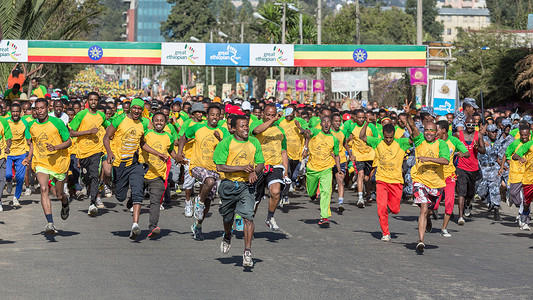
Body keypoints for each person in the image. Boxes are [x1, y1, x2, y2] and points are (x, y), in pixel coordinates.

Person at [103, 98, 167, 240]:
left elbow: (143, 143)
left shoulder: (144, 123)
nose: (137, 111)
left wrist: (159, 153)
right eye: (135, 108)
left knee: (138, 192)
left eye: (140, 108)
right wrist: (109, 152)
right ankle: (116, 188)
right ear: (130, 108)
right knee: (120, 196)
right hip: (120, 164)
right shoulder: (120, 120)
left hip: (135, 163)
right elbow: (106, 137)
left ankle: (135, 225)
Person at [214, 115, 264, 268]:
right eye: (242, 126)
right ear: (233, 128)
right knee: (227, 218)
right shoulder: (226, 143)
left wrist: (255, 172)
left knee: (248, 217)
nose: (245, 128)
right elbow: (220, 166)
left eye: (247, 125)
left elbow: (261, 162)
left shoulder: (254, 142)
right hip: (228, 185)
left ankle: (247, 252)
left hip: (246, 186)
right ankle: (228, 235)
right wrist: (241, 168)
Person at [359, 104, 413, 241]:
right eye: (386, 137)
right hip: (381, 180)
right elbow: (362, 136)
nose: (388, 140)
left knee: (395, 209)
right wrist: (366, 122)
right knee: (381, 208)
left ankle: (389, 209)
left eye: (391, 138)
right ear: (383, 135)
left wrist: (407, 123)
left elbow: (414, 139)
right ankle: (385, 233)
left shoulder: (401, 143)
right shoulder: (377, 142)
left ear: (394, 135)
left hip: (396, 181)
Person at [178, 104, 229, 241]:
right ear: (207, 116)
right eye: (212, 115)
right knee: (209, 182)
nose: (215, 118)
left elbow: (229, 147)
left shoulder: (224, 131)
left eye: (217, 115)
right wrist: (179, 152)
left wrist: (220, 139)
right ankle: (198, 202)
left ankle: (198, 225)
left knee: (207, 202)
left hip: (213, 168)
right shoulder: (198, 127)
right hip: (197, 166)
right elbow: (184, 137)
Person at [24, 99, 71, 235]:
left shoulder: (57, 123)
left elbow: (68, 141)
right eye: (37, 109)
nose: (39, 111)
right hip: (41, 162)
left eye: (42, 108)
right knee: (44, 189)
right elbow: (32, 143)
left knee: (58, 194)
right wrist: (29, 157)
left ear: (47, 108)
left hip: (59, 162)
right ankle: (50, 223)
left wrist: (55, 147)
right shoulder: (31, 125)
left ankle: (65, 202)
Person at [410, 119, 450, 253]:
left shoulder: (442, 144)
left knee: (429, 210)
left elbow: (445, 160)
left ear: (436, 133)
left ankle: (428, 217)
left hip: (436, 183)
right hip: (420, 179)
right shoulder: (419, 141)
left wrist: (428, 159)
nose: (428, 133)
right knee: (424, 208)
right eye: (426, 130)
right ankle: (421, 241)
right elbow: (412, 126)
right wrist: (409, 114)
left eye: (431, 130)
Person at [250, 103, 289, 231]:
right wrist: (273, 120)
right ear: (262, 114)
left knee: (276, 191)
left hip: (275, 165)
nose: (271, 117)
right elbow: (257, 131)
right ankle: (249, 222)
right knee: (255, 200)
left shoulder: (280, 130)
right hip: (259, 166)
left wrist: (285, 171)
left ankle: (270, 217)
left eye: (273, 115)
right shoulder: (255, 124)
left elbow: (283, 151)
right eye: (268, 115)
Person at [69, 92, 107, 216]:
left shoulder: (101, 115)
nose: (93, 102)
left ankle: (92, 203)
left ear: (98, 101)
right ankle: (85, 184)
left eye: (96, 100)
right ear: (87, 101)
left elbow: (109, 128)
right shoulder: (81, 114)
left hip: (97, 150)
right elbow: (72, 133)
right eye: (91, 100)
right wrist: (88, 132)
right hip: (83, 151)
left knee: (95, 175)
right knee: (87, 177)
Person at [302, 115, 343, 227]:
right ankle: (313, 193)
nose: (326, 124)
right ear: (321, 124)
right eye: (324, 122)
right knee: (311, 192)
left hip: (326, 169)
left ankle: (324, 216)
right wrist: (304, 132)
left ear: (331, 124)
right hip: (312, 168)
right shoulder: (315, 132)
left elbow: (337, 155)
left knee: (326, 191)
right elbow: (307, 133)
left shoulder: (334, 139)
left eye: (328, 122)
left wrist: (339, 170)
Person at [141, 112, 177, 239]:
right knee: (136, 197)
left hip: (158, 174)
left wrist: (178, 158)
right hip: (143, 171)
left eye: (162, 120)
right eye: (156, 120)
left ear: (165, 122)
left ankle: (152, 227)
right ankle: (131, 202)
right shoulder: (147, 134)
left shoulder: (168, 136)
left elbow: (171, 150)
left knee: (155, 201)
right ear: (152, 122)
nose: (159, 123)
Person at [435, 120, 470, 237]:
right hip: (435, 177)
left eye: (437, 129)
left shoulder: (454, 141)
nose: (435, 132)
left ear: (444, 130)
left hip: (449, 176)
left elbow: (467, 153)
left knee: (449, 203)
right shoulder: (434, 141)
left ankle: (444, 228)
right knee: (433, 206)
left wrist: (462, 154)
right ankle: (428, 218)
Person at [454, 116, 486, 225]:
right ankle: (460, 216)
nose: (471, 127)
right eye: (469, 125)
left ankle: (468, 205)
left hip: (474, 168)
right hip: (461, 167)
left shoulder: (479, 135)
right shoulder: (458, 135)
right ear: (465, 124)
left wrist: (477, 148)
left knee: (470, 192)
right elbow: (452, 148)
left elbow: (483, 151)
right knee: (461, 191)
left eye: (473, 125)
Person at [177, 102, 205, 218]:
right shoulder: (187, 123)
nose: (200, 114)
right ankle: (188, 202)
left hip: (202, 157)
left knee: (204, 180)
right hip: (189, 156)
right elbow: (181, 139)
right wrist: (180, 152)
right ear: (193, 113)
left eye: (202, 112)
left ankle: (199, 201)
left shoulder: (205, 123)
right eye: (198, 112)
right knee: (189, 182)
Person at [347, 109, 378, 208]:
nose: (361, 120)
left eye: (363, 118)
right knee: (360, 174)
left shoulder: (371, 126)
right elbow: (345, 140)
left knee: (366, 177)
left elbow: (377, 139)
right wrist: (351, 153)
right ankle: (360, 198)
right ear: (355, 118)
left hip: (370, 155)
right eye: (359, 118)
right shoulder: (351, 127)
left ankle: (368, 193)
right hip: (358, 155)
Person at [5, 103, 31, 207]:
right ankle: (9, 182)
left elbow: (28, 138)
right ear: (10, 112)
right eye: (13, 111)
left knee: (20, 177)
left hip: (21, 153)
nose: (15, 113)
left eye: (17, 111)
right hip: (8, 153)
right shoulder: (6, 122)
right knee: (7, 175)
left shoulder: (24, 122)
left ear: (20, 112)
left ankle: (16, 197)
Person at [477, 124, 504, 220]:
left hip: (493, 168)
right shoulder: (482, 140)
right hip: (483, 168)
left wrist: (501, 167)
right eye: (492, 132)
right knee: (480, 190)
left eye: (496, 131)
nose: (494, 133)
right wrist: (482, 143)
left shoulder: (498, 142)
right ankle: (487, 198)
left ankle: (496, 210)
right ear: (487, 132)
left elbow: (499, 156)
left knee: (495, 190)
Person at [505, 125, 530, 229]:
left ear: (529, 135)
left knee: (526, 199)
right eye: (522, 135)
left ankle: (525, 221)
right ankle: (513, 200)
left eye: (526, 135)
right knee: (514, 194)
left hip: (528, 175)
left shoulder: (530, 143)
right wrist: (509, 161)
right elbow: (507, 155)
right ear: (519, 134)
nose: (524, 137)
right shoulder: (515, 143)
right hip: (516, 173)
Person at [331, 113, 348, 211]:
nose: (338, 123)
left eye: (339, 121)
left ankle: (340, 202)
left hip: (341, 159)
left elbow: (345, 143)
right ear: (332, 122)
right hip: (329, 161)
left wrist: (350, 153)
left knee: (340, 179)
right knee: (331, 183)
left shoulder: (342, 133)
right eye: (335, 121)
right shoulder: (328, 133)